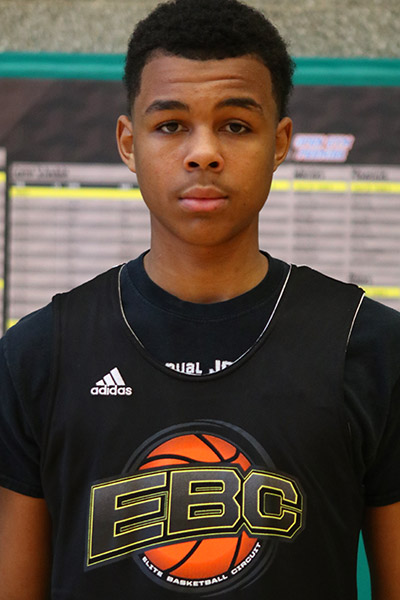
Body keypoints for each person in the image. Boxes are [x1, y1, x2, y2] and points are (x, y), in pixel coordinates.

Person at [1, 0, 399, 598]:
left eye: (236, 125)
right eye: (171, 126)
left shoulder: (370, 348)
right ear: (129, 143)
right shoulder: (38, 354)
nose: (204, 152)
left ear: (280, 142)